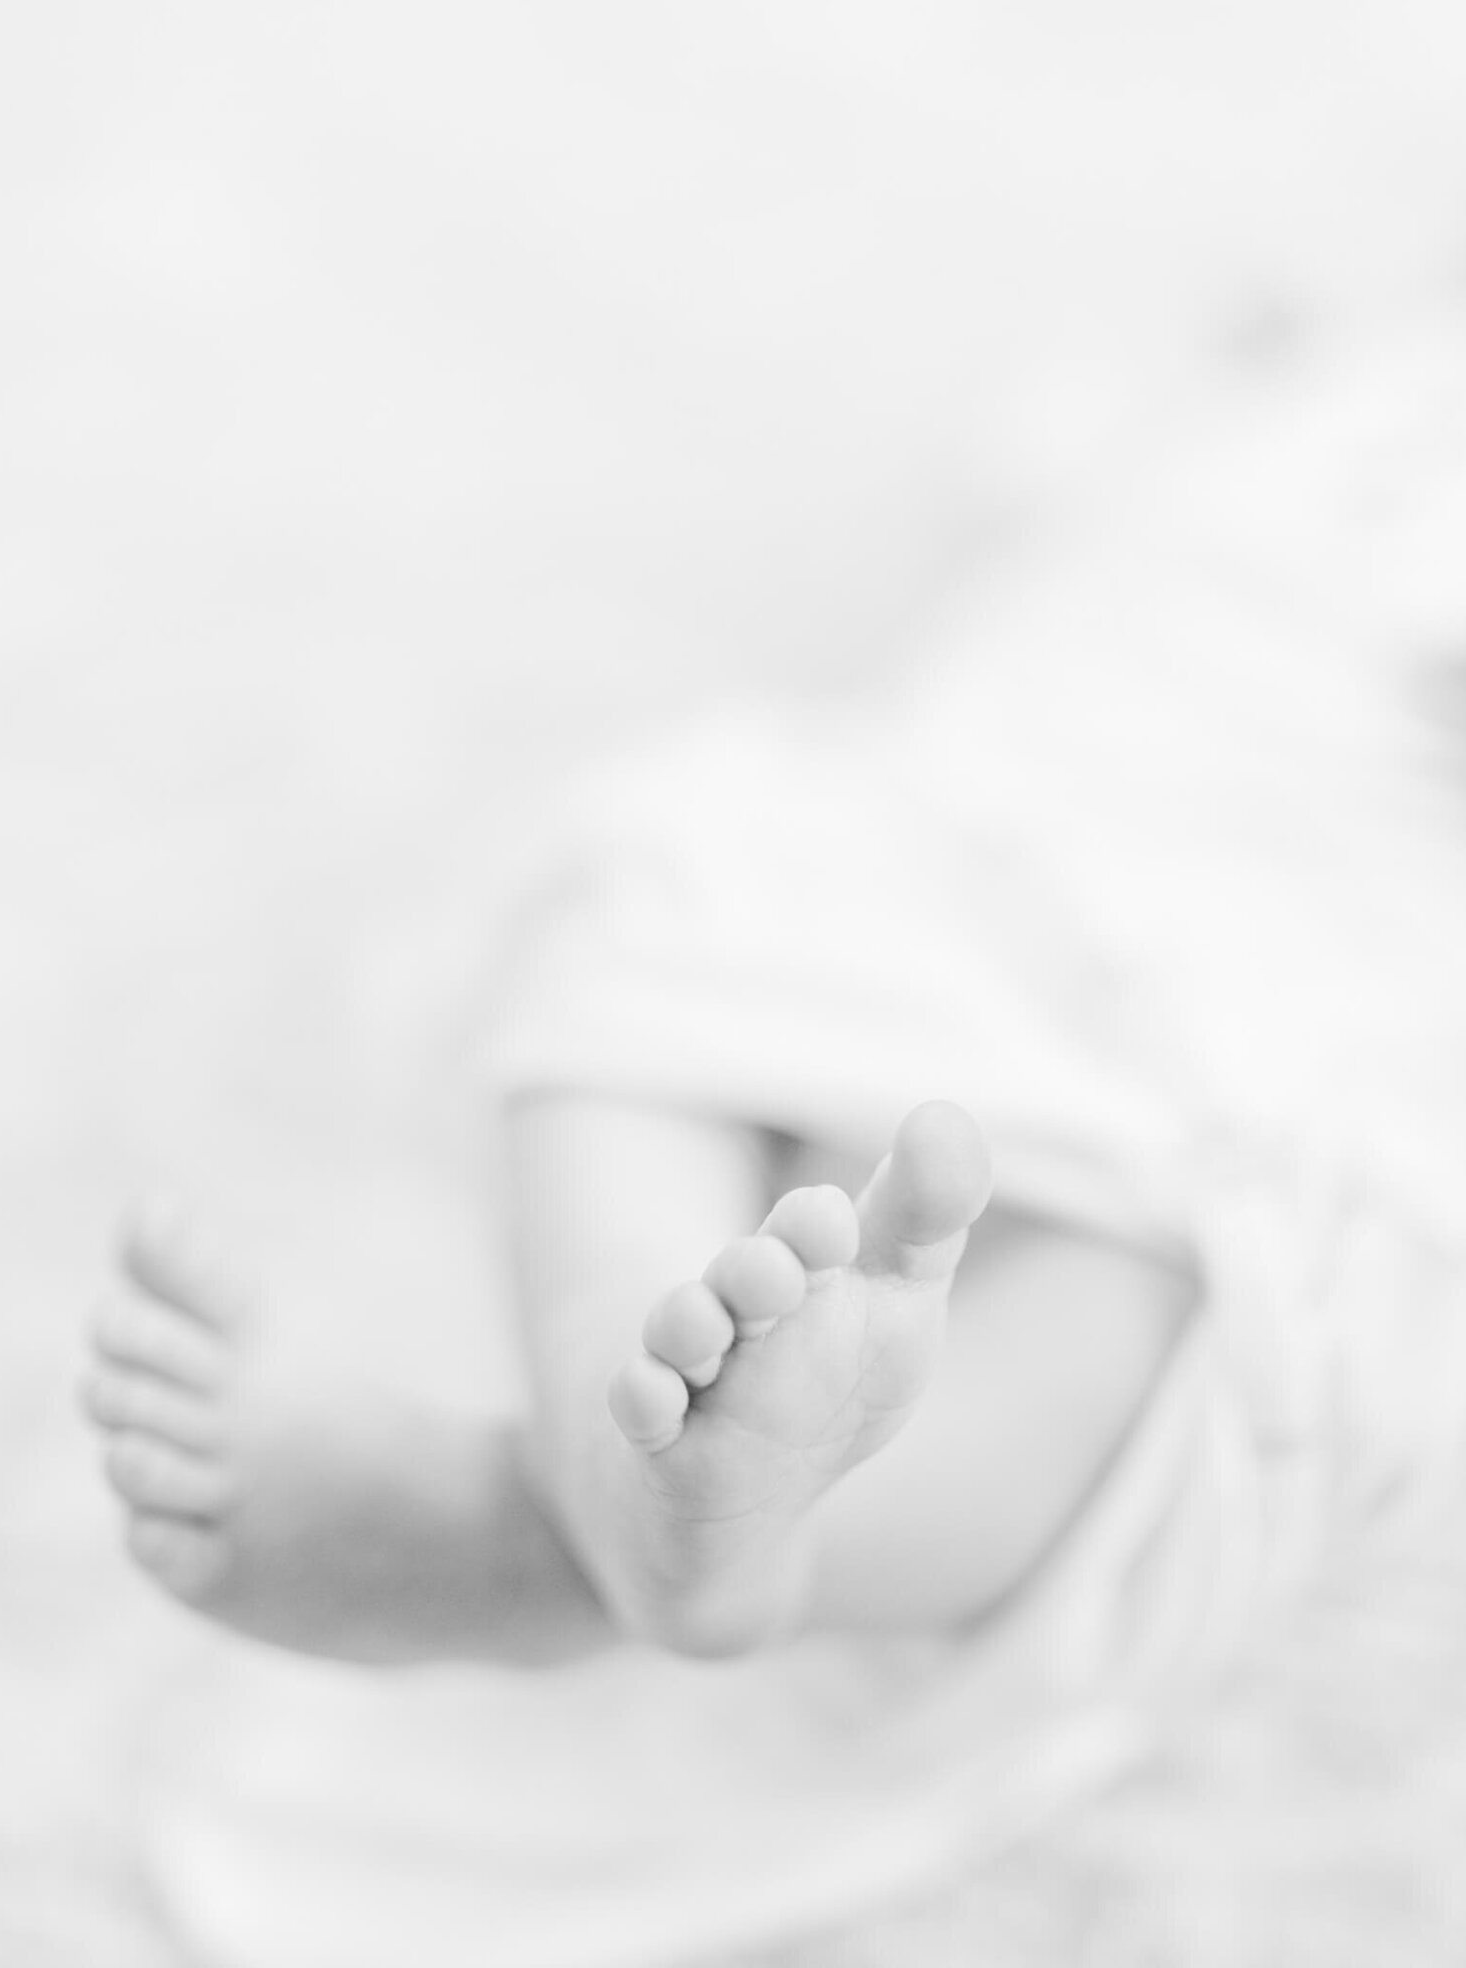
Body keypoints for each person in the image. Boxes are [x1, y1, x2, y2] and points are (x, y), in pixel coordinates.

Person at [79, 313, 1466, 1966]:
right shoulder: (1349, 390)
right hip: (970, 847)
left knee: (1198, 1316)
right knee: (676, 893)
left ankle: (597, 1530)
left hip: (1285, 1035)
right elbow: (1077, 468)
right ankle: (629, 1436)